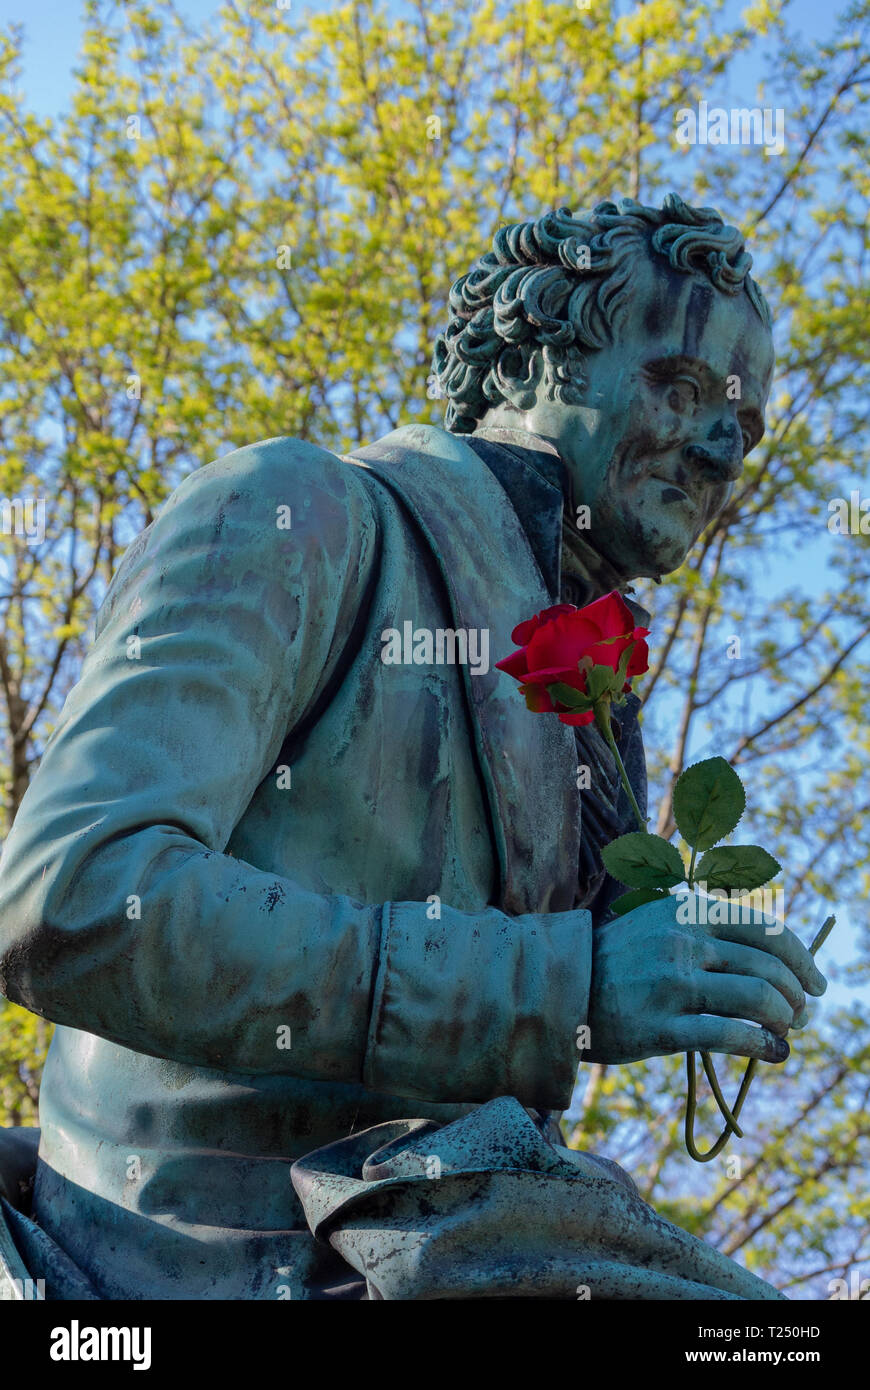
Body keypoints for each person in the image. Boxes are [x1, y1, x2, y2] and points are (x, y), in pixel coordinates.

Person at [0, 194, 825, 1300]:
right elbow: (74, 896)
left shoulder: (587, 690)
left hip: (446, 1243)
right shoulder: (299, 513)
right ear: (536, 365)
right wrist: (562, 984)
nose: (724, 446)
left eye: (746, 424)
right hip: (202, 1258)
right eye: (682, 386)